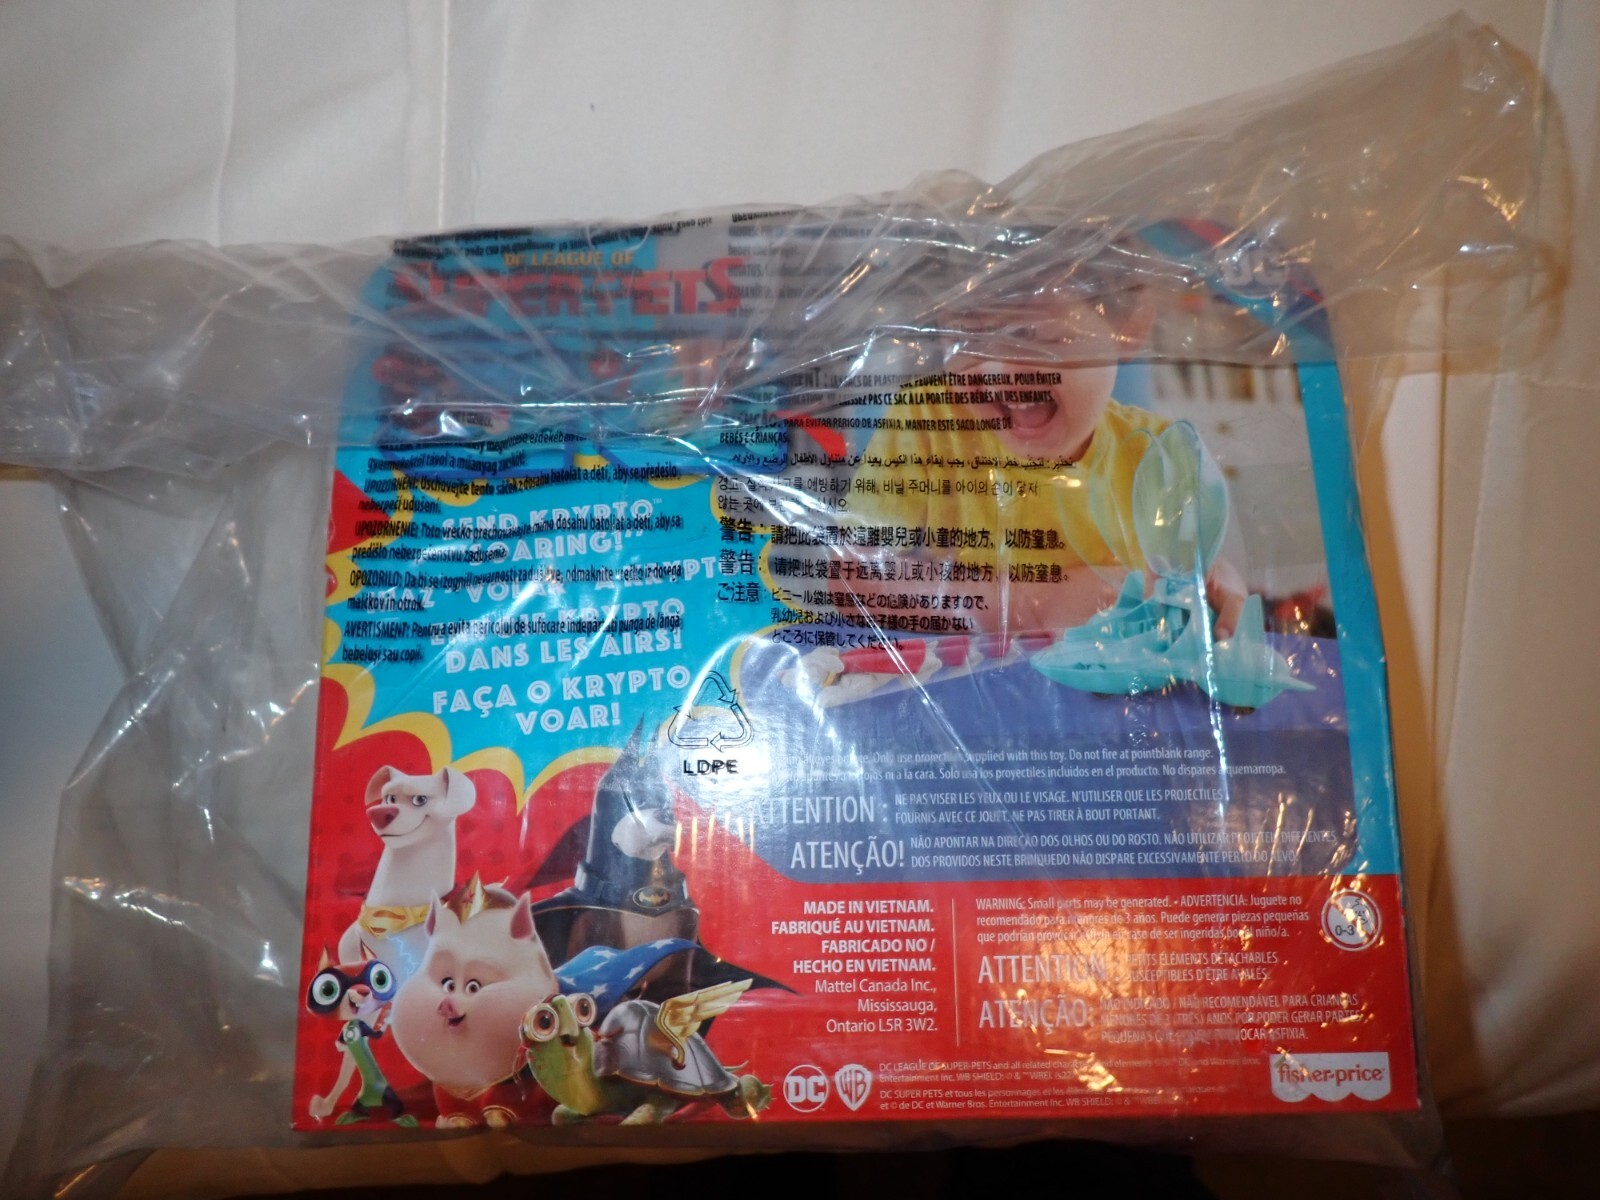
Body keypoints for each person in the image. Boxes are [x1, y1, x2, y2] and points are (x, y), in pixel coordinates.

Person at [833, 288, 1246, 639]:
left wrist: (1211, 582)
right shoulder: (927, 421)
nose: (1001, 371)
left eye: (1039, 338)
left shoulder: (1161, 453)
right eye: (968, 338)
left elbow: (1185, 573)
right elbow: (852, 580)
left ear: (1130, 327)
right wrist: (1037, 605)